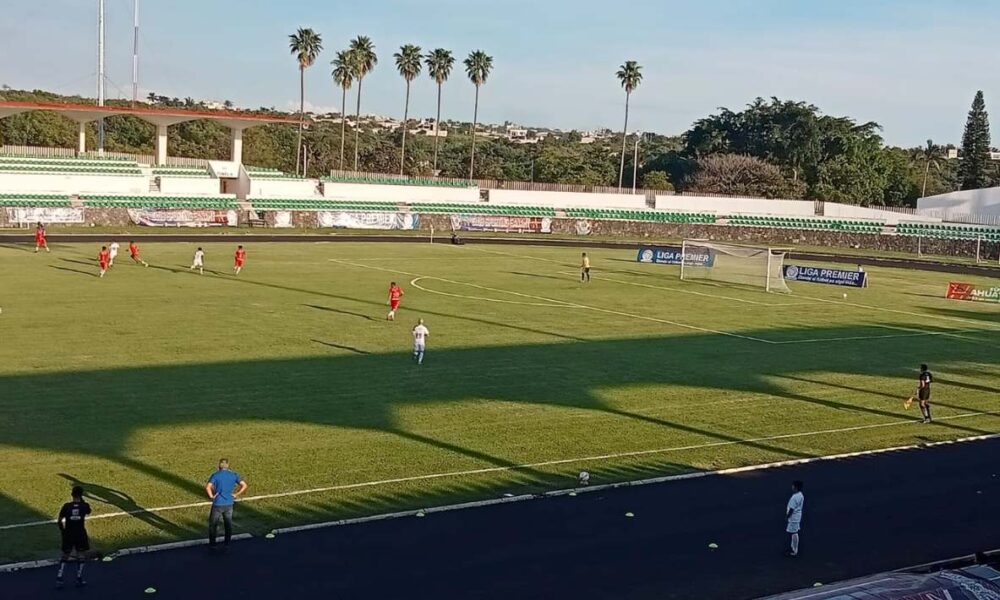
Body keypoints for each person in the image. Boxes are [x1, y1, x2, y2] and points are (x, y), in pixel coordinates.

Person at [205, 459, 247, 549]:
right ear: (228, 466)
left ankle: (213, 544)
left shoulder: (215, 475)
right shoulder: (233, 475)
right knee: (228, 524)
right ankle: (227, 543)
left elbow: (208, 487)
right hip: (229, 503)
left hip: (218, 503)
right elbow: (244, 485)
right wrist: (236, 494)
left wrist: (212, 496)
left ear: (219, 466)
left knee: (213, 524)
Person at [56, 485, 92, 588]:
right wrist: (81, 500)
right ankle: (79, 577)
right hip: (80, 533)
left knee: (65, 554)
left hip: (68, 533)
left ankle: (59, 577)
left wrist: (63, 531)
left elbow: (59, 520)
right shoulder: (84, 506)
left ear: (72, 494)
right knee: (81, 554)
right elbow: (88, 511)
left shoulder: (66, 506)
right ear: (81, 495)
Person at [785, 480, 804, 557]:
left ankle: (794, 550)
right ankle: (793, 548)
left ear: (795, 487)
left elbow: (791, 509)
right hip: (797, 516)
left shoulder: (794, 497)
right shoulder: (800, 495)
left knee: (793, 533)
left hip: (793, 517)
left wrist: (787, 517)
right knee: (794, 532)